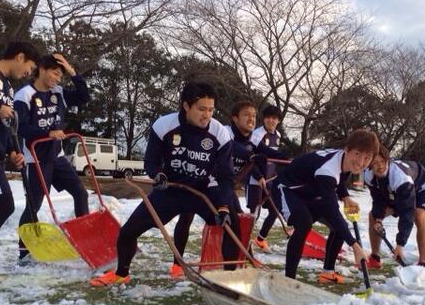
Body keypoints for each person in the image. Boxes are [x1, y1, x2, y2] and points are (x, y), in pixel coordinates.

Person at [91, 81, 237, 286]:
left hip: (203, 191)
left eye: (211, 110)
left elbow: (226, 177)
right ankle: (121, 273)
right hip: (171, 189)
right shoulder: (164, 125)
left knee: (232, 226)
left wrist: (222, 205)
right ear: (186, 106)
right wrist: (158, 175)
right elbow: (151, 161)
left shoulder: (219, 133)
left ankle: (231, 280)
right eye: (201, 109)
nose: (207, 115)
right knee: (128, 232)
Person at [169, 100, 288, 278]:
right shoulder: (224, 133)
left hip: (224, 188)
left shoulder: (252, 139)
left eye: (254, 115)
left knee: (237, 221)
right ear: (235, 118)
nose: (252, 119)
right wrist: (252, 155)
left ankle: (244, 259)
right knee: (186, 217)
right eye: (247, 115)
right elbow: (235, 149)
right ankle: (177, 264)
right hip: (201, 180)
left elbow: (265, 153)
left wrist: (294, 160)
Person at [272, 128, 377, 282]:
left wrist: (346, 197)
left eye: (367, 157)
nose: (361, 162)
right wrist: (355, 247)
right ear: (347, 150)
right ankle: (289, 280)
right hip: (287, 189)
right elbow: (332, 211)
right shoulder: (328, 169)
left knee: (340, 228)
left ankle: (328, 272)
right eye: (357, 154)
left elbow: (338, 180)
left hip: (310, 193)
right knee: (304, 223)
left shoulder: (344, 161)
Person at [14, 53, 90, 264]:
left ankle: (84, 239)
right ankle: (24, 251)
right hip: (35, 159)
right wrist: (47, 133)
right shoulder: (25, 95)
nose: (58, 79)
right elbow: (21, 128)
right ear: (42, 69)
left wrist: (72, 71)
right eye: (55, 73)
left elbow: (84, 97)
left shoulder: (58, 93)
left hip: (56, 157)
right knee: (34, 205)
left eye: (60, 75)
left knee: (81, 193)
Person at [0, 42, 39, 252]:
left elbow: (5, 124)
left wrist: (12, 151)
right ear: (20, 57)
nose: (28, 73)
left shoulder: (8, 88)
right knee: (4, 203)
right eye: (30, 67)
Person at [364, 145, 425, 268]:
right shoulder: (368, 176)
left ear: (387, 160)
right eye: (375, 163)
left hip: (423, 186)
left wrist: (400, 244)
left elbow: (407, 212)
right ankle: (375, 257)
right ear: (370, 165)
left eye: (383, 161)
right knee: (373, 215)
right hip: (397, 192)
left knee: (419, 215)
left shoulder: (400, 178)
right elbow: (378, 199)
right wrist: (378, 219)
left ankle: (423, 261)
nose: (380, 166)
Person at [249, 105, 286, 252]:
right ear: (263, 119)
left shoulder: (277, 135)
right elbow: (250, 160)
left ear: (278, 120)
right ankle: (245, 244)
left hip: (271, 181)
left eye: (274, 118)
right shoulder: (256, 134)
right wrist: (258, 176)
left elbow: (274, 160)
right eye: (268, 117)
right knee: (254, 214)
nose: (271, 121)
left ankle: (260, 239)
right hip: (256, 180)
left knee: (275, 210)